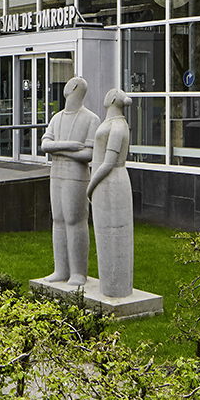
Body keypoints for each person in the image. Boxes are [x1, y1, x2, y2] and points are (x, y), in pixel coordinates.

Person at [39, 76, 99, 288]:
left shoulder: (91, 119)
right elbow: (45, 145)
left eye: (69, 82)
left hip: (76, 176)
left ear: (73, 87)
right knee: (58, 220)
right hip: (57, 175)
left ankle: (78, 272)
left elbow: (89, 154)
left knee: (75, 220)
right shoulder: (57, 119)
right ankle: (61, 269)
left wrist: (60, 150)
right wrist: (69, 146)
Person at [86, 89, 134, 300]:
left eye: (109, 93)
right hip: (104, 183)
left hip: (111, 182)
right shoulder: (113, 123)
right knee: (103, 234)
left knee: (114, 236)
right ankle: (108, 285)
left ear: (113, 99)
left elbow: (109, 162)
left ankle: (116, 287)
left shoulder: (117, 126)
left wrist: (90, 186)